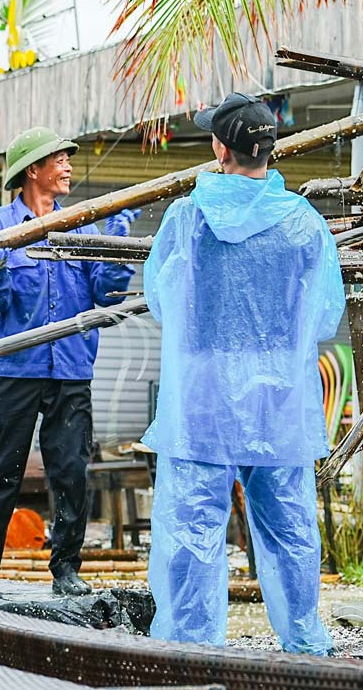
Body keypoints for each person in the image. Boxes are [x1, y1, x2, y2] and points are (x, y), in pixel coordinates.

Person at [142, 93, 345, 654]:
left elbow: (161, 299)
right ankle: (304, 640)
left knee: (192, 523)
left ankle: (190, 646)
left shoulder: (188, 218)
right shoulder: (305, 225)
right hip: (277, 394)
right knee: (289, 523)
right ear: (268, 151)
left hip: (203, 391)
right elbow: (326, 313)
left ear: (219, 147)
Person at [0, 127, 138, 597]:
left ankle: (66, 569)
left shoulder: (84, 224)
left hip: (72, 371)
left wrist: (118, 251)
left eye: (67, 158)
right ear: (31, 170)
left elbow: (106, 294)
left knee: (71, 473)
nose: (68, 165)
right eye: (58, 158)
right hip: (13, 372)